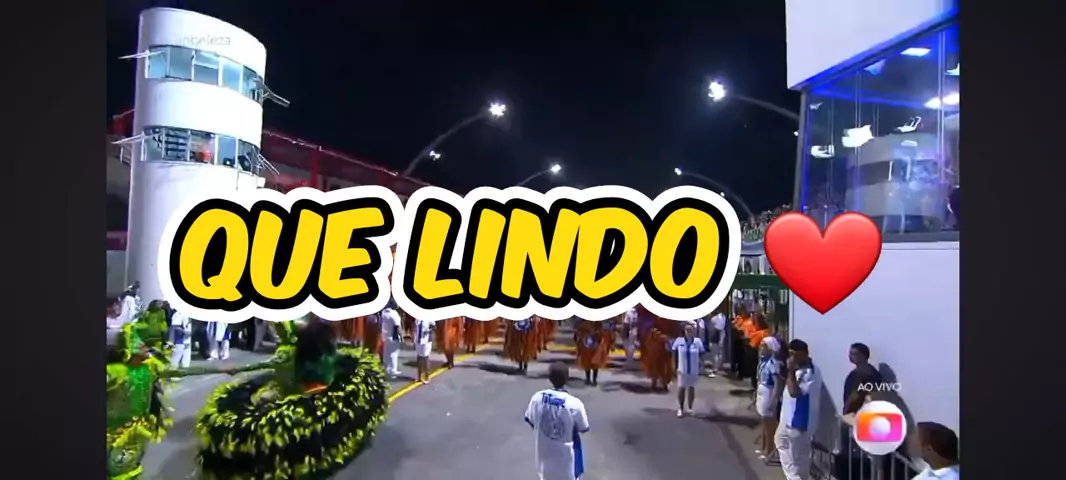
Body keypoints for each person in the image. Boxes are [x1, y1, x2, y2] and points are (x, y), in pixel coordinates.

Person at [524, 362, 590, 480]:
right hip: (568, 464)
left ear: (549, 378)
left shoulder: (537, 398)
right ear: (567, 379)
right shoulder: (574, 404)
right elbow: (583, 427)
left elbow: (531, 421)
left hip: (544, 461)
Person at [776, 338, 822, 480]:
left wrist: (790, 370)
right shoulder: (800, 369)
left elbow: (794, 392)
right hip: (787, 419)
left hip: (799, 423)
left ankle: (795, 478)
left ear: (803, 354)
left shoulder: (809, 373)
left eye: (793, 354)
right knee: (781, 442)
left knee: (796, 461)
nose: (791, 358)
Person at [755, 336, 782, 459]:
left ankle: (769, 450)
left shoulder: (773, 363)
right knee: (763, 421)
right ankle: (763, 447)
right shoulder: (763, 361)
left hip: (768, 392)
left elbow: (777, 383)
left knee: (769, 424)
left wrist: (773, 400)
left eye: (763, 345)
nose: (761, 347)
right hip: (762, 390)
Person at [671, 322, 705, 417]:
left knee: (691, 388)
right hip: (682, 369)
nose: (689, 332)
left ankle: (690, 407)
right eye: (687, 330)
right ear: (684, 331)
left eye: (691, 330)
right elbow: (674, 353)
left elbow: (702, 354)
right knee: (681, 388)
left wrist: (702, 365)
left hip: (693, 368)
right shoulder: (679, 341)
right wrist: (673, 365)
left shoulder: (697, 341)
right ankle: (680, 408)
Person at [842, 342, 883, 415]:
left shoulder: (872, 374)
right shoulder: (854, 374)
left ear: (862, 355)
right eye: (850, 353)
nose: (850, 356)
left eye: (854, 354)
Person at [574, 319, 610, 386]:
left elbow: (602, 334)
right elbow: (578, 333)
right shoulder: (584, 323)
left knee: (595, 362)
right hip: (586, 345)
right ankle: (588, 379)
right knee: (587, 362)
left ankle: (594, 380)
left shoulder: (599, 323)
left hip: (595, 345)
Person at [380, 302, 403, 378]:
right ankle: (393, 370)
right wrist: (401, 336)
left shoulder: (383, 313)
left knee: (386, 353)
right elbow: (397, 326)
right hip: (394, 336)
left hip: (385, 335)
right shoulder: (394, 314)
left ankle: (386, 369)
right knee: (394, 354)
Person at [168, 306, 194, 372]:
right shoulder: (178, 314)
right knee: (175, 358)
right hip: (179, 339)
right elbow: (174, 327)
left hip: (187, 339)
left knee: (185, 361)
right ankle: (171, 372)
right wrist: (184, 332)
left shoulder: (188, 314)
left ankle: (184, 370)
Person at [413, 316, 435, 384]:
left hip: (426, 341)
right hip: (418, 341)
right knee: (419, 357)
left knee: (425, 358)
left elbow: (434, 327)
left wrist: (428, 331)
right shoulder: (417, 318)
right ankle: (419, 377)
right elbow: (415, 328)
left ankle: (427, 376)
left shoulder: (429, 318)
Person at [707, 309, 728, 377]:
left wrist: (710, 340)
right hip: (721, 337)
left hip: (714, 338)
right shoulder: (723, 317)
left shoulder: (713, 319)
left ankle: (715, 370)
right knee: (720, 354)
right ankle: (718, 367)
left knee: (715, 355)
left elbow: (711, 330)